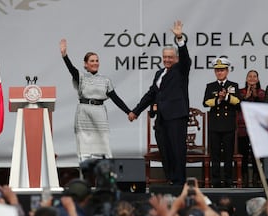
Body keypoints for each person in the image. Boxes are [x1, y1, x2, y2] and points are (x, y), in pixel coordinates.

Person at [128, 20, 191, 185]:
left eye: (170, 57)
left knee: (177, 150)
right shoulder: (159, 73)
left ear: (176, 58)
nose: (167, 60)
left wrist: (179, 39)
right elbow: (151, 94)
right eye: (165, 57)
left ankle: (179, 182)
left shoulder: (181, 70)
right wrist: (136, 111)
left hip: (177, 116)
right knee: (166, 151)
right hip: (162, 119)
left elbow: (185, 58)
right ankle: (171, 179)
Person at [60, 39, 131, 161]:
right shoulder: (81, 77)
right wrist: (65, 56)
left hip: (99, 113)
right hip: (84, 113)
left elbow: (115, 98)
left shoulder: (105, 80)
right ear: (86, 64)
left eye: (97, 60)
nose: (95, 63)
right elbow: (71, 69)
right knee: (84, 144)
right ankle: (85, 171)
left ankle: (105, 172)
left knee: (103, 143)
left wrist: (129, 112)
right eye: (92, 61)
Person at [203, 57, 241, 188]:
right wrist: (218, 100)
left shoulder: (233, 85)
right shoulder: (210, 86)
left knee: (228, 155)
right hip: (215, 125)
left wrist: (226, 97)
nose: (219, 73)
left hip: (228, 125)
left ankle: (229, 180)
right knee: (215, 155)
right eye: (217, 70)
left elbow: (239, 103)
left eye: (222, 70)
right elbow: (206, 102)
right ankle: (215, 180)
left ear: (227, 71)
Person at [237, 70, 265, 187]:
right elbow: (237, 106)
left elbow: (263, 107)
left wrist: (255, 96)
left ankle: (256, 179)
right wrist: (246, 97)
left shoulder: (262, 93)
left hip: (257, 129)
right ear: (246, 79)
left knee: (256, 155)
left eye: (254, 76)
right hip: (243, 128)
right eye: (250, 76)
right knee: (242, 154)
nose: (252, 78)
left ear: (258, 79)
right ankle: (244, 179)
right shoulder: (240, 92)